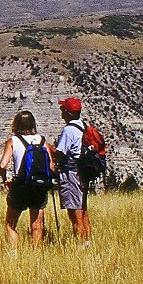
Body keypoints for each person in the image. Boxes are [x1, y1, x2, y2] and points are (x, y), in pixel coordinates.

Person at [0, 109, 56, 251]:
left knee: (11, 223)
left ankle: (13, 255)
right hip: (39, 186)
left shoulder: (13, 141)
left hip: (20, 186)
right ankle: (35, 256)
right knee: (37, 225)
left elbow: (2, 165)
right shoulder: (42, 141)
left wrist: (5, 180)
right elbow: (52, 166)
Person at [53, 97, 93, 248]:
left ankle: (80, 245)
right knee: (82, 209)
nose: (61, 112)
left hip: (71, 174)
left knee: (74, 211)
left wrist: (48, 148)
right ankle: (87, 241)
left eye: (63, 109)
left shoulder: (69, 129)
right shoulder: (83, 126)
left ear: (68, 113)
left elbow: (60, 153)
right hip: (83, 173)